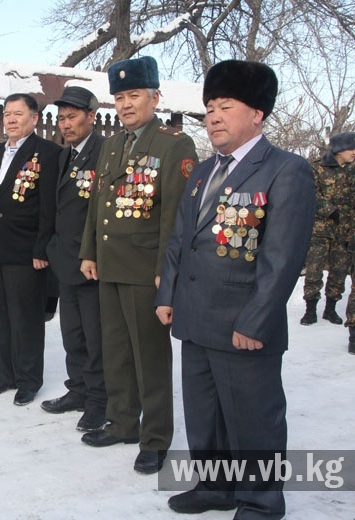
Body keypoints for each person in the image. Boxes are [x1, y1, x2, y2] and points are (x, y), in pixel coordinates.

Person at [156, 60, 315, 518]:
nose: (214, 116)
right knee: (204, 415)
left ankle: (261, 501)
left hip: (243, 323)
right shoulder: (204, 172)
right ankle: (215, 487)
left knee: (252, 421)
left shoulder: (286, 171)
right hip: (196, 318)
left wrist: (257, 319)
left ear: (257, 114)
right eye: (209, 107)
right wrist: (167, 295)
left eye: (226, 106)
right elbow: (180, 239)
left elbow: (282, 259)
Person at [79, 56, 197, 474]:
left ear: (154, 97)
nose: (126, 104)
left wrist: (169, 271)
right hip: (110, 264)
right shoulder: (112, 145)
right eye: (120, 97)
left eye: (134, 95)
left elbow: (175, 216)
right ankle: (123, 421)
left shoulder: (173, 145)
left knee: (149, 358)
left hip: (147, 269)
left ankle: (156, 437)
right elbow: (98, 205)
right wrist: (89, 251)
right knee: (116, 352)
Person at [0, 93, 61, 406]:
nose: (10, 120)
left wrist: (42, 248)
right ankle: (7, 374)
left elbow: (49, 207)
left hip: (27, 249)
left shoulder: (47, 153)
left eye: (18, 114)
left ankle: (29, 379)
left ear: (34, 118)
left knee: (25, 318)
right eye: (6, 114)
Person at [42, 86, 107, 432]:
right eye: (61, 118)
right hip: (66, 262)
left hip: (91, 264)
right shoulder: (66, 155)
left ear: (91, 117)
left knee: (96, 339)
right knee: (72, 336)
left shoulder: (105, 152)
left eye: (72, 117)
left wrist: (91, 253)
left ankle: (99, 401)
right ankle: (78, 390)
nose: (65, 125)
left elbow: (104, 213)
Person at [300, 131, 355, 326]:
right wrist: (330, 211)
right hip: (320, 229)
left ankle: (331, 308)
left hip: (345, 230)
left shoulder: (352, 170)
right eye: (351, 148)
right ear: (339, 149)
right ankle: (310, 309)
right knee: (314, 268)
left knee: (339, 270)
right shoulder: (317, 168)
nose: (354, 152)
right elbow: (310, 194)